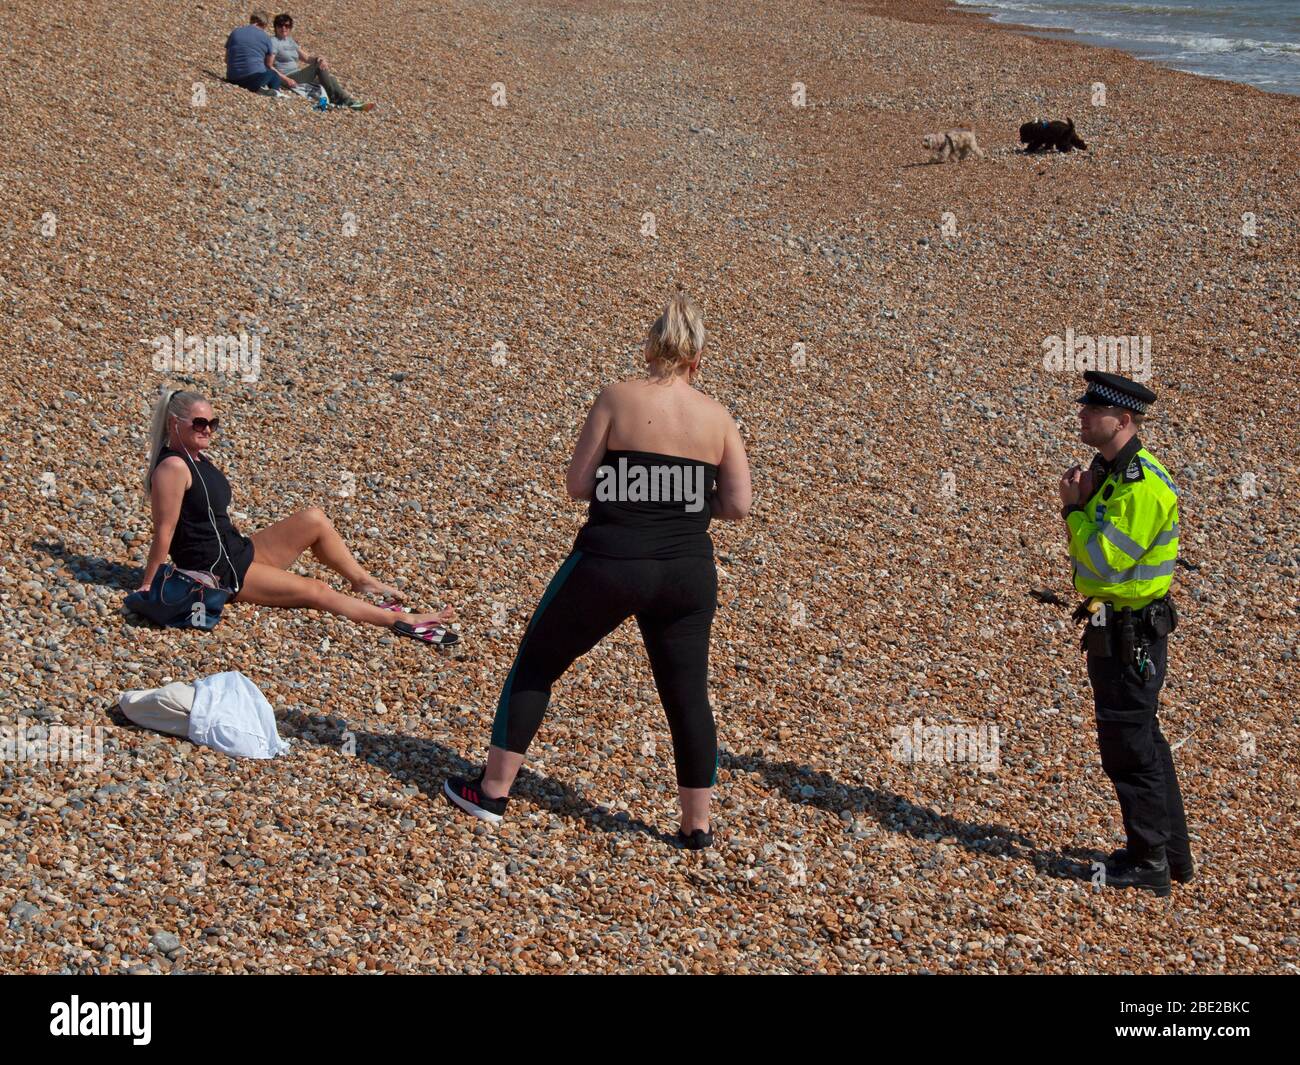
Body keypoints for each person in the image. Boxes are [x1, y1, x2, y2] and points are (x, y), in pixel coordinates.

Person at [443, 290, 752, 849]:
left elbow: (577, 485)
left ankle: (491, 792)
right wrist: (682, 499)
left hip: (611, 561)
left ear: (651, 348)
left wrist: (633, 489)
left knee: (538, 662)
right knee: (686, 694)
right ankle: (696, 828)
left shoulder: (617, 397)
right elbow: (737, 506)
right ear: (696, 361)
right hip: (686, 572)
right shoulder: (719, 417)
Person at [136, 389, 456, 644]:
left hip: (236, 551)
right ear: (173, 423)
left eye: (211, 423)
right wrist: (148, 585)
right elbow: (164, 532)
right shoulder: (173, 467)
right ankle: (397, 620)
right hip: (216, 572)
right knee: (315, 589)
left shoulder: (197, 460)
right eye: (199, 423)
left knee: (314, 519)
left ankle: (362, 582)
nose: (207, 430)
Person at [1059, 370, 1191, 896]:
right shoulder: (1111, 470)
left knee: (1128, 743)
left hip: (1129, 631)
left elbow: (1103, 561)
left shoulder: (1140, 485)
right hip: (1114, 626)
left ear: (1124, 419)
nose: (1083, 415)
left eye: (1094, 411)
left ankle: (1148, 862)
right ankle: (1170, 855)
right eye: (1085, 408)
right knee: (1145, 739)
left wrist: (1071, 509)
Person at [270, 13, 374, 111]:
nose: (284, 28)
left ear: (290, 27)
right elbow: (269, 65)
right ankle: (335, 99)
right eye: (280, 25)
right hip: (288, 76)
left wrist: (319, 58)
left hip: (297, 74)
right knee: (318, 67)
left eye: (287, 26)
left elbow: (306, 58)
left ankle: (352, 102)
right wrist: (286, 79)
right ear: (275, 27)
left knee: (330, 79)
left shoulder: (289, 40)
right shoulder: (273, 42)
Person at [224, 11, 287, 96]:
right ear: (264, 24)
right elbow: (268, 65)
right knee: (273, 75)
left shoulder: (235, 32)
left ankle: (260, 89)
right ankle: (276, 92)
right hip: (251, 80)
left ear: (251, 21)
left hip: (232, 78)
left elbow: (226, 59)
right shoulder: (265, 37)